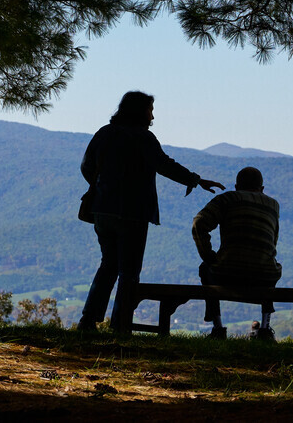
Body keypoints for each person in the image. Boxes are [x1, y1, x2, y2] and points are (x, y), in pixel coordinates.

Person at [77, 91, 225, 333]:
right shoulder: (143, 137)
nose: (152, 116)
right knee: (129, 271)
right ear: (140, 111)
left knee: (108, 265)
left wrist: (103, 187)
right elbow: (164, 164)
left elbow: (86, 166)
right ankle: (120, 325)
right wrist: (196, 180)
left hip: (102, 210)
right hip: (133, 212)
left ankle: (88, 320)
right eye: (150, 110)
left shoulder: (104, 133)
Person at [192, 166, 282, 340]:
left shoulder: (227, 199)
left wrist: (209, 256)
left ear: (236, 186)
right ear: (262, 188)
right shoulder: (273, 205)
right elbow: (273, 242)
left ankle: (218, 329)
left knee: (205, 268)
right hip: (263, 278)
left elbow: (199, 223)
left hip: (227, 274)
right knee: (270, 265)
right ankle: (265, 328)